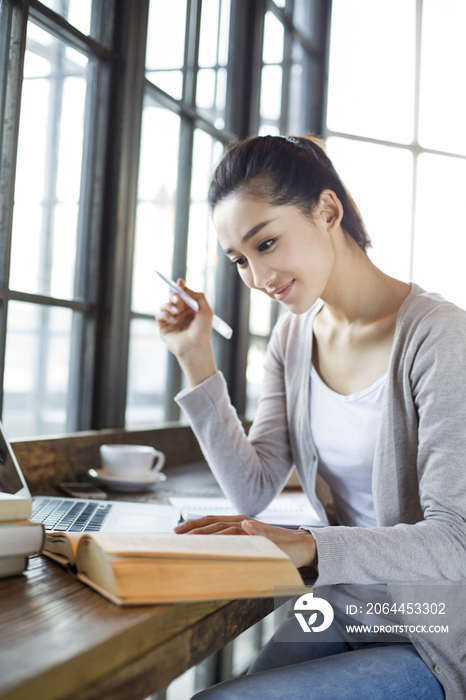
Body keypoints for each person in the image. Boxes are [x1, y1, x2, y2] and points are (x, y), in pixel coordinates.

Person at [156, 135, 466, 700]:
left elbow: (456, 541)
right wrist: (194, 358)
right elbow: (252, 490)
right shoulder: (293, 338)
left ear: (327, 210)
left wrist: (309, 544)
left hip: (432, 632)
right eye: (240, 260)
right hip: (343, 608)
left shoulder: (440, 336)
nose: (257, 276)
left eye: (267, 243)